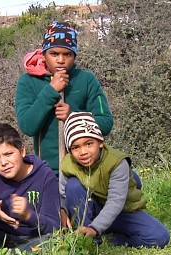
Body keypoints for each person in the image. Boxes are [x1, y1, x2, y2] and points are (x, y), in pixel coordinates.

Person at [15, 21, 114, 175]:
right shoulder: (28, 81)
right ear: (43, 55)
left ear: (74, 56)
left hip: (85, 170)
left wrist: (73, 117)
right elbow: (28, 126)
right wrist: (51, 91)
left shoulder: (86, 79)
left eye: (67, 54)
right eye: (54, 54)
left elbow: (106, 123)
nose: (61, 60)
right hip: (47, 171)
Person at [60, 112, 170, 248]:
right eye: (75, 147)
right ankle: (85, 239)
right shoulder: (67, 163)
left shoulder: (117, 162)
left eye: (88, 144)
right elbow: (63, 195)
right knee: (73, 186)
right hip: (93, 209)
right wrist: (63, 211)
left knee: (159, 237)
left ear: (100, 142)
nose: (83, 152)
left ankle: (115, 239)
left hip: (123, 212)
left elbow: (115, 202)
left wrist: (95, 228)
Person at [0, 123, 60, 253]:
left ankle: (10, 254)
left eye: (8, 154)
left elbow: (54, 226)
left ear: (22, 151)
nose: (4, 163)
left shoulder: (44, 175)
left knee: (52, 241)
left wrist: (28, 215)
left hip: (31, 237)